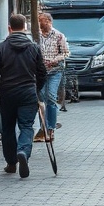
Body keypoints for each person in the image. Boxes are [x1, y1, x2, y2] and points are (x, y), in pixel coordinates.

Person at [0, 13, 47, 177]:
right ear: (25, 27)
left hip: (7, 93)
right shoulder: (34, 47)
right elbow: (42, 73)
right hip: (28, 93)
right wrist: (36, 90)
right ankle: (23, 152)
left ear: (9, 28)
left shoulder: (1, 48)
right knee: (26, 126)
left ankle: (11, 163)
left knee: (7, 128)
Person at [34, 12, 69, 142]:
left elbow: (66, 53)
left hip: (55, 71)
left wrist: (54, 59)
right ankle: (43, 126)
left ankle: (50, 128)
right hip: (41, 72)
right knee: (41, 98)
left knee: (51, 97)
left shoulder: (59, 36)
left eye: (41, 21)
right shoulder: (36, 36)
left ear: (48, 21)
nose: (39, 24)